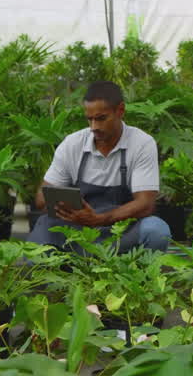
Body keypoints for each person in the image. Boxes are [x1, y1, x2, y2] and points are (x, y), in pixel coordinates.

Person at [29, 81, 171, 253]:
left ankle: (139, 278)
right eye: (90, 119)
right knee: (44, 227)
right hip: (78, 233)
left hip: (120, 235)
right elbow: (41, 197)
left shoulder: (141, 143)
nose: (94, 127)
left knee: (157, 230)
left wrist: (99, 219)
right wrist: (65, 209)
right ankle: (56, 276)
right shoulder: (73, 144)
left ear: (120, 110)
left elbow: (146, 204)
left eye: (101, 118)